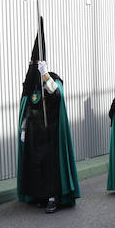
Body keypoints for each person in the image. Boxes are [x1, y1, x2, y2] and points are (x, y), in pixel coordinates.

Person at [17, 20, 80, 214]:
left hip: (51, 132)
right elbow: (27, 107)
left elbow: (57, 95)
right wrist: (24, 129)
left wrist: (45, 76)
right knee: (37, 166)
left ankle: (53, 197)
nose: (32, 67)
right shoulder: (30, 85)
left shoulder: (51, 77)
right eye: (32, 65)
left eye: (35, 65)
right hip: (35, 134)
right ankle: (41, 195)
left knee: (51, 167)